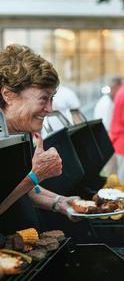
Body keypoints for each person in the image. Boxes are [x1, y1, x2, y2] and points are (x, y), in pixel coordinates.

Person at [0, 44, 82, 233]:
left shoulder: (22, 132)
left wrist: (60, 202)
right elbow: (24, 184)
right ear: (8, 95)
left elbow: (20, 188)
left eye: (52, 98)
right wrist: (35, 175)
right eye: (43, 98)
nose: (50, 108)